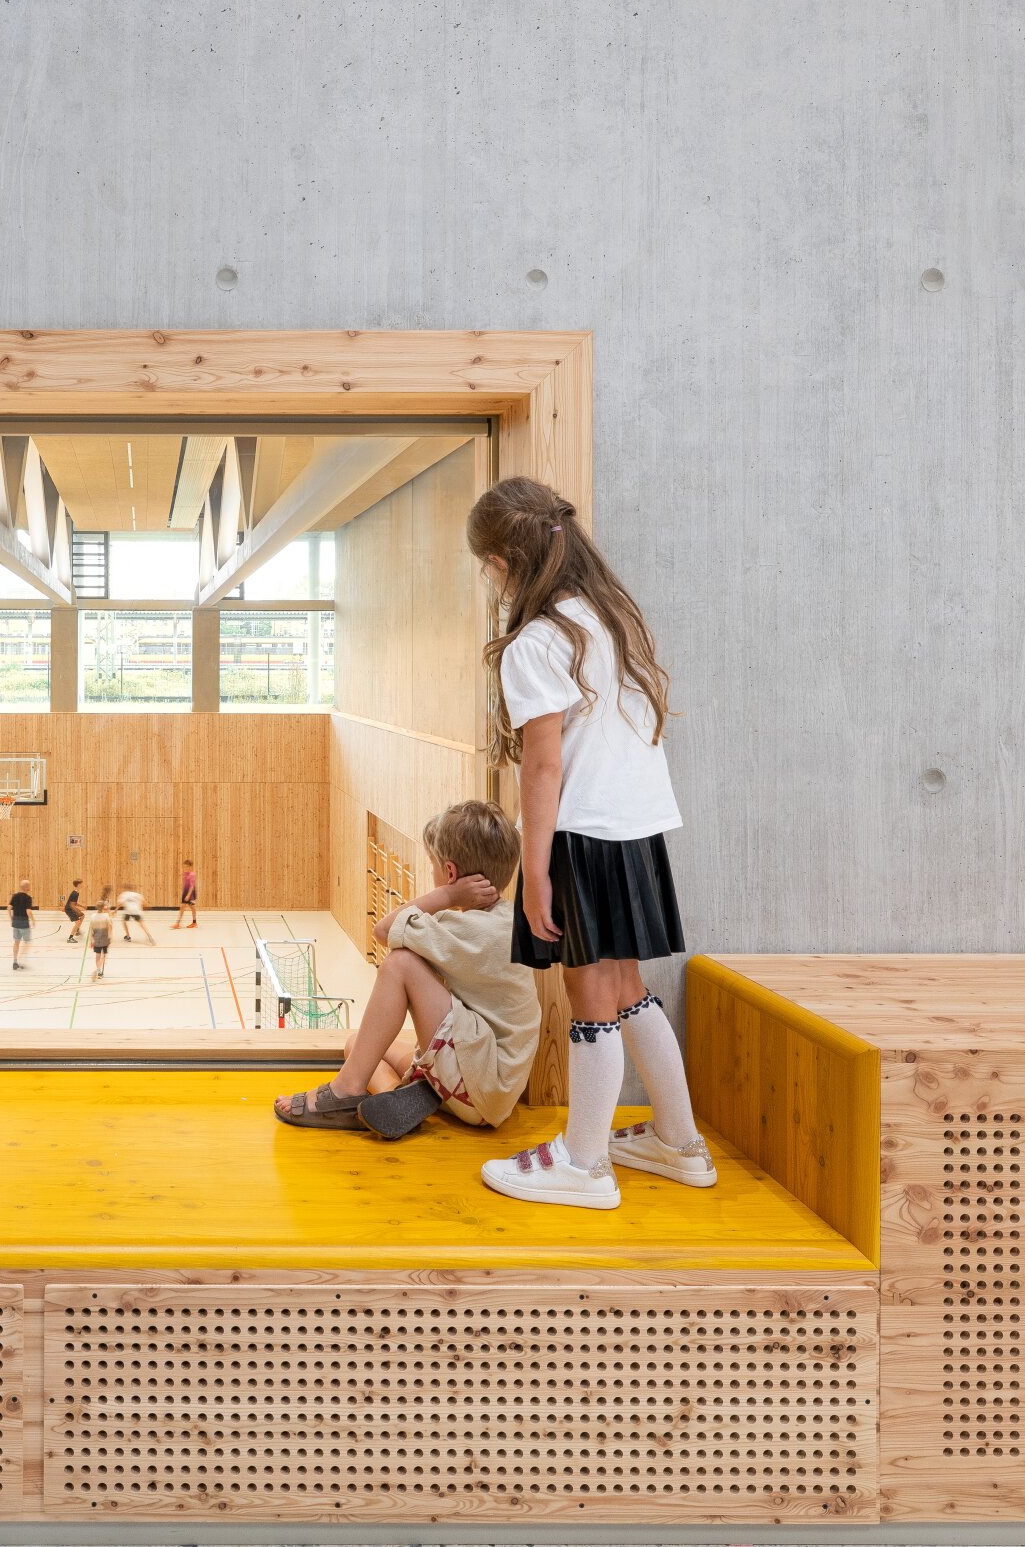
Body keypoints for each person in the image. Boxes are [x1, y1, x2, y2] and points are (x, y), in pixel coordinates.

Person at [467, 476, 711, 1210]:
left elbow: (543, 766)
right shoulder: (607, 619)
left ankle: (582, 1163)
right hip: (634, 829)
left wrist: (532, 870)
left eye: (486, 564)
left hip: (582, 831)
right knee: (627, 986)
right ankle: (680, 1143)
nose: (487, 577)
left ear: (507, 563)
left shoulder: (538, 643)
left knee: (588, 993)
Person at [272, 801, 539, 1139]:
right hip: (487, 1085)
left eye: (433, 867)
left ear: (450, 873)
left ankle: (343, 1094)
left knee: (399, 964)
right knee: (357, 1045)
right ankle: (394, 1098)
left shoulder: (470, 930)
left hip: (480, 1083)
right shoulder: (504, 919)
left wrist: (445, 895)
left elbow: (383, 930)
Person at [8, 878, 35, 970]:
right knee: (27, 942)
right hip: (24, 922)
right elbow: (28, 911)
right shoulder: (28, 898)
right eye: (29, 886)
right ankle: (21, 960)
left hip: (15, 922)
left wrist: (11, 918)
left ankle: (15, 961)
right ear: (26, 887)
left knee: (16, 942)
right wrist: (33, 920)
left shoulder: (14, 896)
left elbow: (8, 908)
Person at [87, 901, 114, 979]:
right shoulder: (106, 916)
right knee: (104, 956)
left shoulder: (93, 916)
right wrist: (110, 937)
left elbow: (91, 929)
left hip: (96, 937)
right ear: (103, 907)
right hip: (104, 936)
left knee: (97, 955)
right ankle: (98, 969)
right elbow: (109, 926)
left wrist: (91, 940)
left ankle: (98, 971)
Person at [173, 859, 199, 929]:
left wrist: (188, 895)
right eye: (184, 867)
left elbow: (192, 886)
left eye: (187, 867)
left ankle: (194, 923)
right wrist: (184, 892)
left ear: (190, 866)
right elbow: (185, 883)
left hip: (191, 893)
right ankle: (178, 923)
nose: (185, 868)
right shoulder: (185, 873)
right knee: (182, 907)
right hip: (185, 892)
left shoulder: (192, 874)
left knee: (192, 908)